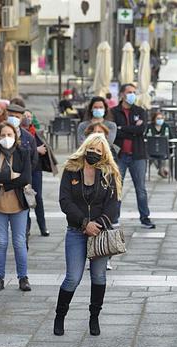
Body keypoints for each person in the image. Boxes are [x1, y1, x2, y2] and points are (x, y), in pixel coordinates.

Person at [55, 131, 122, 336]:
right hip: (76, 230)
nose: (93, 153)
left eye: (98, 151)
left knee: (99, 277)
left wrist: (98, 224)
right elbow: (65, 201)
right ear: (84, 149)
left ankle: (94, 318)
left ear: (104, 154)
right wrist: (85, 223)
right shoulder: (71, 170)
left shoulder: (110, 173)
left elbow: (113, 204)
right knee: (72, 278)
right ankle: (60, 316)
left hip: (100, 232)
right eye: (90, 149)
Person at [0, 122, 32, 292]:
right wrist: (12, 176)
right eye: (3, 135)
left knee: (19, 242)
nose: (6, 138)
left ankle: (23, 278)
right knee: (0, 242)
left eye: (9, 135)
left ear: (15, 137)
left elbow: (26, 177)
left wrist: (5, 180)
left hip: (19, 204)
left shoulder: (23, 153)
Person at [111, 83, 155, 228]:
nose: (132, 95)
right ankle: (114, 217)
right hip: (120, 155)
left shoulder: (140, 111)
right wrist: (132, 129)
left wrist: (122, 128)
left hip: (138, 155)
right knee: (116, 188)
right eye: (129, 92)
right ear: (122, 94)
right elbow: (113, 132)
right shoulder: (113, 112)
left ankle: (145, 218)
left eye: (134, 92)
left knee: (141, 189)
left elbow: (141, 130)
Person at [18, 107, 50, 236]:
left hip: (36, 169)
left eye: (30, 116)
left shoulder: (35, 132)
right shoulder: (17, 133)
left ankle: (43, 226)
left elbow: (45, 148)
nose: (28, 118)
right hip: (22, 171)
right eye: (25, 116)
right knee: (24, 198)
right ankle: (26, 227)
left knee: (38, 198)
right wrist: (36, 150)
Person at [146, 111, 173, 178]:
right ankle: (161, 169)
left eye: (161, 118)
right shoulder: (150, 126)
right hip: (152, 149)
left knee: (162, 154)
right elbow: (146, 137)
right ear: (154, 119)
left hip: (164, 149)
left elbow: (171, 137)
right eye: (158, 118)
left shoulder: (166, 126)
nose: (160, 120)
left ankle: (161, 170)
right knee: (155, 154)